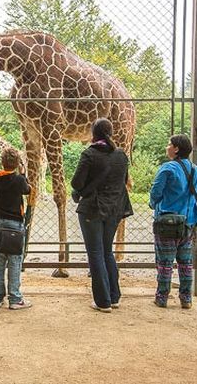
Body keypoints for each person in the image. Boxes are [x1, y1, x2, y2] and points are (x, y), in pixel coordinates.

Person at [71, 118, 133, 313]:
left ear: (94, 133)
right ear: (111, 132)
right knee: (107, 252)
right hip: (115, 209)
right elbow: (123, 181)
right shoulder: (121, 155)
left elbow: (76, 183)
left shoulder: (89, 154)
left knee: (96, 254)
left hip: (93, 209)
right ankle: (114, 296)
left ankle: (103, 301)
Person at [149, 134, 197, 309]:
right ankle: (186, 298)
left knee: (164, 262)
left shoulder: (167, 168)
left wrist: (153, 203)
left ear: (176, 149)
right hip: (187, 223)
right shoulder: (196, 171)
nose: (167, 147)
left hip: (166, 223)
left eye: (169, 144)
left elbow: (156, 192)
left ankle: (162, 296)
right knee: (185, 262)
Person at [0, 147, 32, 310]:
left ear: (2, 162)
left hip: (0, 224)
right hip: (16, 226)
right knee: (15, 262)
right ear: (17, 163)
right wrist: (23, 173)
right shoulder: (18, 180)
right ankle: (15, 298)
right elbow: (27, 189)